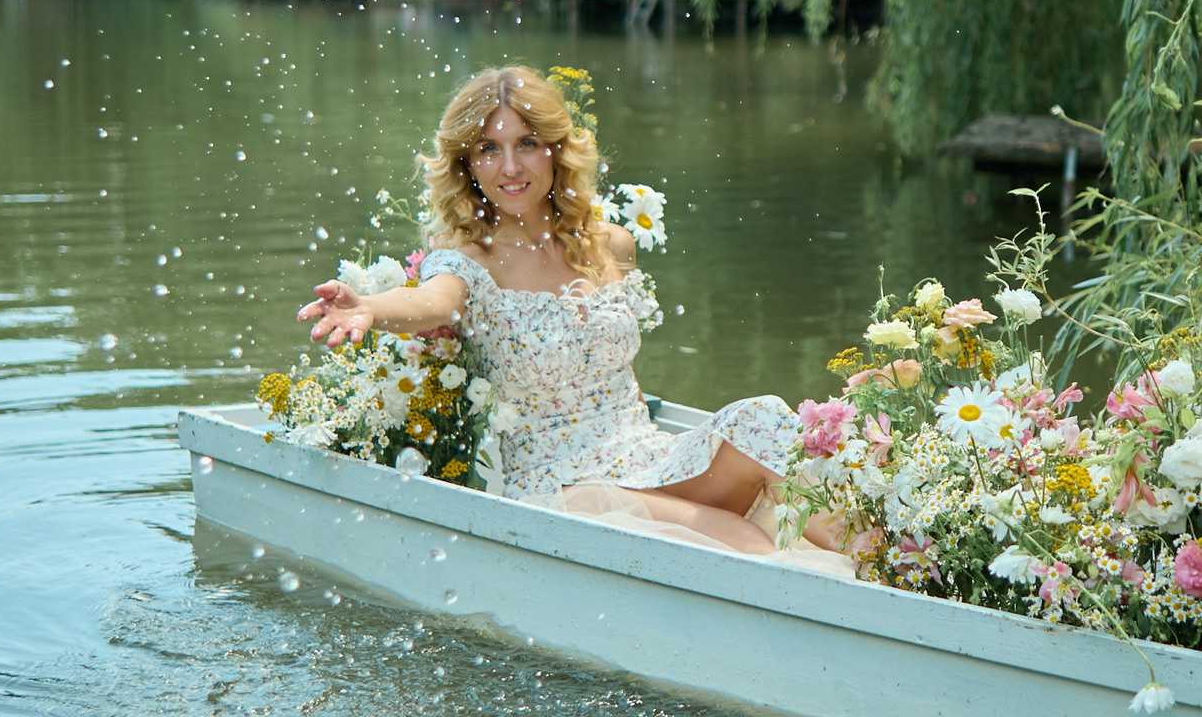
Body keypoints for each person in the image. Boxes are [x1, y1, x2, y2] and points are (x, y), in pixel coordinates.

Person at [296, 65, 830, 558]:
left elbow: (621, 374)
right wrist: (368, 306)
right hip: (563, 486)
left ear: (556, 149)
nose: (509, 167)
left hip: (644, 457)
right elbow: (431, 300)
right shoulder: (466, 260)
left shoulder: (611, 246)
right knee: (739, 535)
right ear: (467, 163)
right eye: (488, 148)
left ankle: (891, 563)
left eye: (526, 143)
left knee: (766, 419)